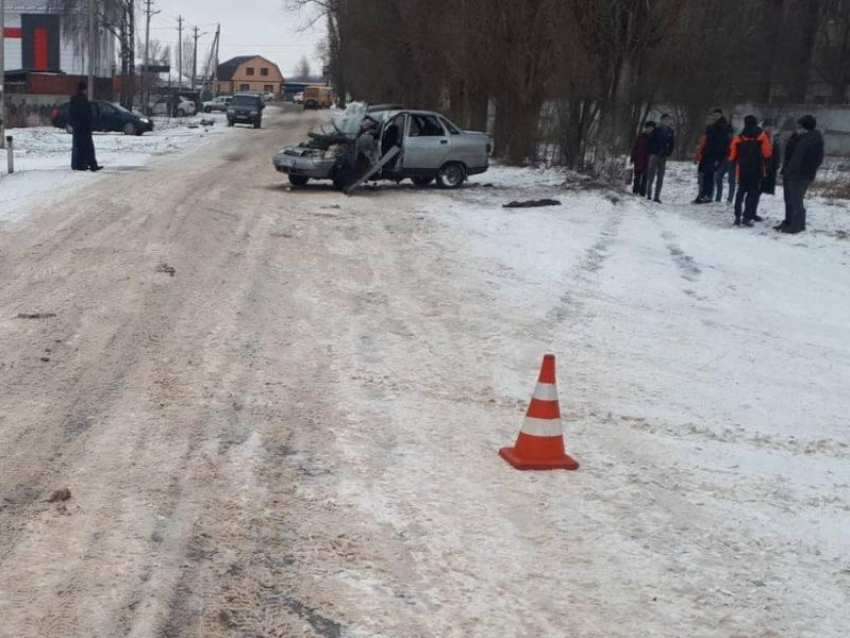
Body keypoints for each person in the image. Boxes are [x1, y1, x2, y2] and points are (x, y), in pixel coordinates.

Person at [778, 115, 824, 234]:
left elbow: (797, 159)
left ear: (806, 127)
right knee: (794, 200)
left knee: (795, 201)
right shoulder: (807, 138)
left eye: (800, 126)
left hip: (798, 175)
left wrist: (789, 171)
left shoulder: (808, 141)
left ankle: (796, 226)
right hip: (800, 174)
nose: (798, 129)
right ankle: (794, 223)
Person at [728, 115, 772, 227]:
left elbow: (732, 156)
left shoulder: (739, 137)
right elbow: (767, 153)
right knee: (752, 194)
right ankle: (747, 217)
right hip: (756, 170)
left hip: (742, 170)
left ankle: (737, 217)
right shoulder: (761, 136)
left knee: (740, 194)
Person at [694, 109, 729, 203]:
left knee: (710, 176)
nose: (715, 117)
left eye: (717, 115)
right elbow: (704, 142)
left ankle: (708, 195)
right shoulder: (710, 127)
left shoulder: (723, 127)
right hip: (707, 154)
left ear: (721, 115)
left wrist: (718, 157)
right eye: (714, 116)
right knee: (704, 175)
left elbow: (721, 144)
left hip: (714, 155)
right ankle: (703, 194)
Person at [68, 81, 102, 172]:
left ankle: (78, 164)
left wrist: (74, 123)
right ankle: (91, 165)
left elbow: (71, 113)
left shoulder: (74, 98)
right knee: (88, 146)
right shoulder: (83, 99)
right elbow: (86, 114)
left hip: (77, 127)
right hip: (84, 127)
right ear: (84, 89)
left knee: (78, 146)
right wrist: (90, 124)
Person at [646, 113, 675, 203]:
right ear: (661, 120)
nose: (667, 121)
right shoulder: (656, 130)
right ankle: (649, 194)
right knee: (651, 176)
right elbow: (650, 142)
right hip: (655, 155)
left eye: (668, 120)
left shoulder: (671, 131)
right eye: (665, 119)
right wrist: (653, 151)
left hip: (663, 157)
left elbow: (672, 144)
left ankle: (657, 196)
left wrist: (668, 153)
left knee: (660, 177)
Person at [714, 115, 736, 203]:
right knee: (718, 177)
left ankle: (729, 199)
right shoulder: (726, 136)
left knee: (731, 180)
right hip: (725, 158)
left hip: (732, 159)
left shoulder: (736, 137)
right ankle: (718, 198)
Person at [630, 121, 654, 196]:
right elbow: (635, 148)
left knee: (645, 178)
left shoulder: (654, 138)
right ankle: (635, 192)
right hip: (639, 159)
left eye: (652, 128)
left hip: (648, 160)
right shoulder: (640, 136)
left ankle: (642, 194)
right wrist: (632, 158)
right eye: (649, 127)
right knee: (637, 177)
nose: (650, 129)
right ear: (646, 128)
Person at [760, 118, 781, 197]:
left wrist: (777, 164)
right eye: (768, 126)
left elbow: (777, 152)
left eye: (772, 126)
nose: (770, 128)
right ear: (764, 127)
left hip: (772, 166)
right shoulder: (760, 137)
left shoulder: (774, 138)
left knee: (769, 190)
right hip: (763, 166)